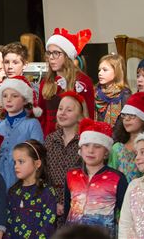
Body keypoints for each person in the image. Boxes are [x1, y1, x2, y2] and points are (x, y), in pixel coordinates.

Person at [65, 118, 128, 238]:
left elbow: (126, 214)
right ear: (80, 149)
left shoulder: (117, 178)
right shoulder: (71, 175)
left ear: (106, 152)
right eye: (86, 145)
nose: (90, 150)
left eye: (97, 146)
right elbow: (68, 210)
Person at [39, 28, 96, 137]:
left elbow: (88, 117)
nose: (51, 58)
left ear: (67, 56)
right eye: (49, 53)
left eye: (56, 53)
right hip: (50, 139)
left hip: (75, 138)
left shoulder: (82, 82)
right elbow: (41, 116)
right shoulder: (47, 81)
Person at [0, 76, 44, 188]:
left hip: (22, 183)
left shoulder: (32, 124)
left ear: (25, 100)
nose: (8, 99)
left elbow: (38, 154)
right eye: (5, 96)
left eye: (14, 96)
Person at [44, 92, 88, 225]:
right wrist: (53, 202)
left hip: (78, 200)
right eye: (60, 109)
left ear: (80, 116)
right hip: (51, 199)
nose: (62, 113)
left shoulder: (84, 141)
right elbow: (44, 172)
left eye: (69, 110)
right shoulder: (50, 139)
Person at [6, 140, 57, 238]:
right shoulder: (13, 192)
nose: (16, 166)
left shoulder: (46, 192)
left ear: (37, 164)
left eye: (21, 161)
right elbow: (8, 222)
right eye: (14, 162)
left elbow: (49, 225)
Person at [111, 92, 144, 182]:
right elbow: (111, 178)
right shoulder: (117, 148)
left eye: (132, 116)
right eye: (124, 115)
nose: (126, 119)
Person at [94, 54, 131, 125]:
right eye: (99, 70)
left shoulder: (124, 94)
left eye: (105, 70)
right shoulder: (96, 91)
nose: (100, 73)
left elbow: (124, 122)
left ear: (117, 72)